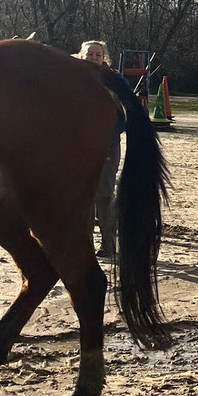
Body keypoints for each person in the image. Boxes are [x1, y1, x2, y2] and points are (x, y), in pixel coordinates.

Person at [78, 39, 126, 256]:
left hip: (108, 147)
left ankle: (108, 244)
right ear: (82, 56)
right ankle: (85, 244)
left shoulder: (113, 80)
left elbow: (125, 116)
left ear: (104, 57)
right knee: (83, 195)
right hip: (79, 149)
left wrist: (107, 134)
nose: (94, 58)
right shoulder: (73, 78)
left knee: (104, 195)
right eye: (90, 54)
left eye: (98, 54)